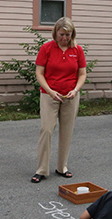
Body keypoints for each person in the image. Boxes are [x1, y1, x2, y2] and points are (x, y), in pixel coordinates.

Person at [31, 17, 86, 184]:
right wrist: (50, 90)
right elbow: (39, 73)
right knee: (46, 130)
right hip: (49, 95)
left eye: (68, 35)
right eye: (62, 34)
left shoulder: (77, 50)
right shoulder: (46, 48)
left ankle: (62, 167)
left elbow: (82, 74)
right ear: (55, 33)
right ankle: (42, 169)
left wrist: (75, 90)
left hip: (70, 96)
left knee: (66, 131)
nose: (65, 38)